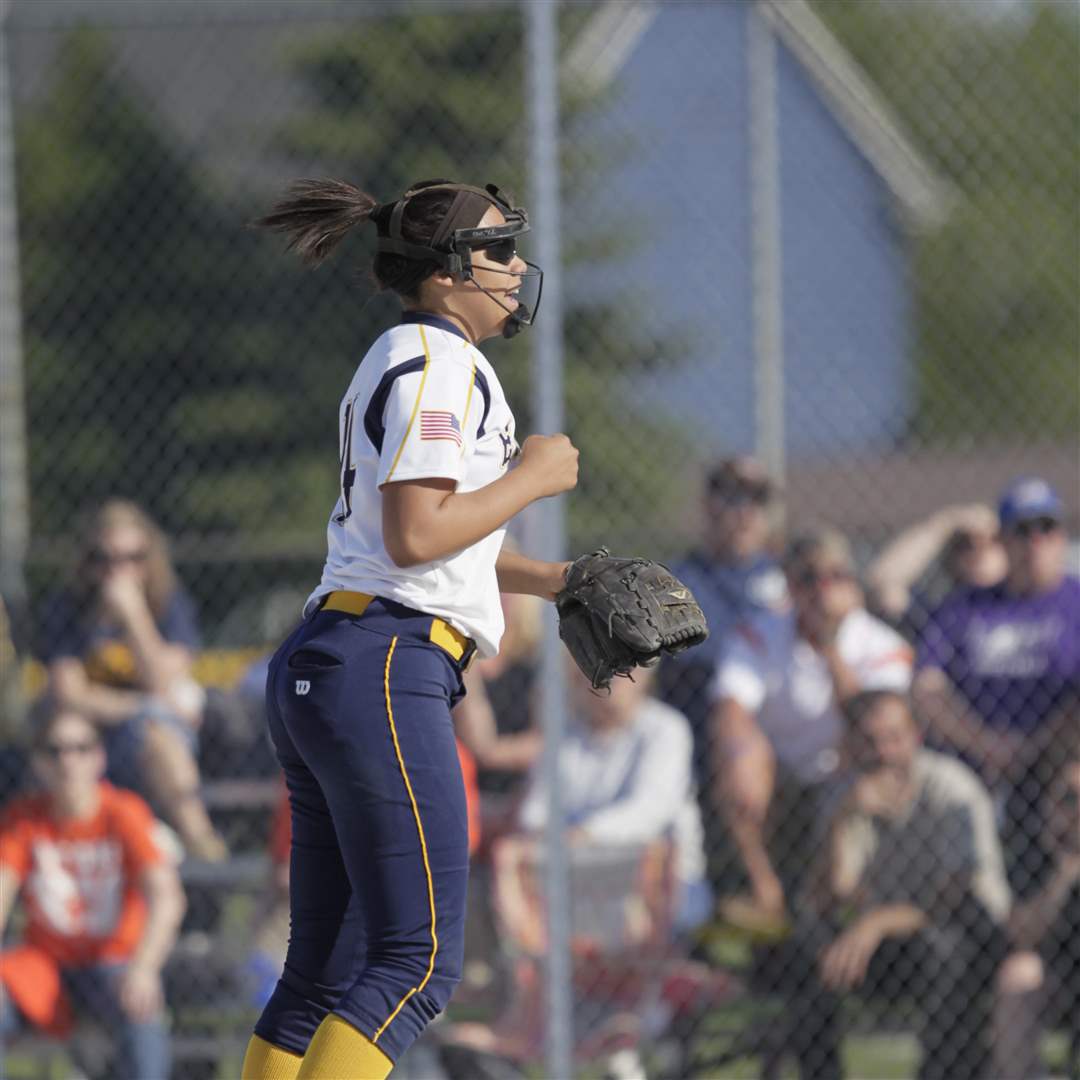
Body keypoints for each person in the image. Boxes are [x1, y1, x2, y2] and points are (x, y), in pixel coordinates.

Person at [241, 177, 579, 1080]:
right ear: (445, 273)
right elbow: (418, 531)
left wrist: (553, 580)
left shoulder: (414, 353)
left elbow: (421, 541)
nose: (513, 266)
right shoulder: (439, 360)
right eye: (497, 249)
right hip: (385, 664)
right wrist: (535, 477)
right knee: (418, 962)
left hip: (340, 654)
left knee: (322, 974)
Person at [787, 690, 1010, 1080]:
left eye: (894, 738)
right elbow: (827, 896)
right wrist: (843, 821)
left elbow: (953, 898)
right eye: (870, 741)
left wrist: (875, 923)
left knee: (945, 948)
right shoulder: (846, 794)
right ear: (852, 745)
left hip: (965, 933)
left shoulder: (951, 787)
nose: (884, 752)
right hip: (884, 941)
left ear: (915, 736)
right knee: (808, 949)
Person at [711, 528, 912, 923]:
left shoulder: (883, 645)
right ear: (790, 585)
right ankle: (764, 891)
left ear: (854, 585)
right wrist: (742, 749)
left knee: (869, 765)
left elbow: (871, 725)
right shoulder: (758, 633)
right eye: (809, 579)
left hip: (845, 768)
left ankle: (832, 903)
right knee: (737, 751)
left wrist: (830, 646)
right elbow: (730, 710)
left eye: (837, 576)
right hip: (778, 770)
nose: (823, 590)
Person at [0, 705, 185, 1080]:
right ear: (38, 763)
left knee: (141, 1003)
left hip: (114, 963)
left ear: (99, 758)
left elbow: (167, 897)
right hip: (45, 963)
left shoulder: (124, 812)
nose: (68, 761)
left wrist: (144, 968)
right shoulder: (24, 818)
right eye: (55, 751)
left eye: (81, 748)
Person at [912, 477, 1080, 890]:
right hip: (974, 759)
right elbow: (927, 689)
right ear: (1001, 541)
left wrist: (1035, 746)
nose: (1035, 541)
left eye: (1047, 527)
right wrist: (988, 744)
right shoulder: (964, 607)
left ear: (1062, 537)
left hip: (1057, 757)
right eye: (1023, 530)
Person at [35, 498, 225, 861]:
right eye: (104, 559)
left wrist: (134, 615)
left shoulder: (169, 604)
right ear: (87, 563)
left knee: (158, 734)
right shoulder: (67, 607)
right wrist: (140, 705)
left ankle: (203, 847)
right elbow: (69, 693)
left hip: (155, 736)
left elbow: (160, 681)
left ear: (149, 559)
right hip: (94, 732)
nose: (117, 571)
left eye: (132, 558)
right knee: (71, 734)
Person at [993, 697, 1080, 1079]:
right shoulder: (1033, 853)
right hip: (1058, 974)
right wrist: (1065, 872)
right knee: (1017, 974)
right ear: (1046, 804)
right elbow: (1022, 933)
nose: (1076, 811)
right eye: (1068, 799)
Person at [864, 502, 1006, 639]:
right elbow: (881, 582)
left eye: (992, 541)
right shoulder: (942, 614)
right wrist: (946, 523)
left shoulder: (1023, 603)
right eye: (965, 544)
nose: (977, 551)